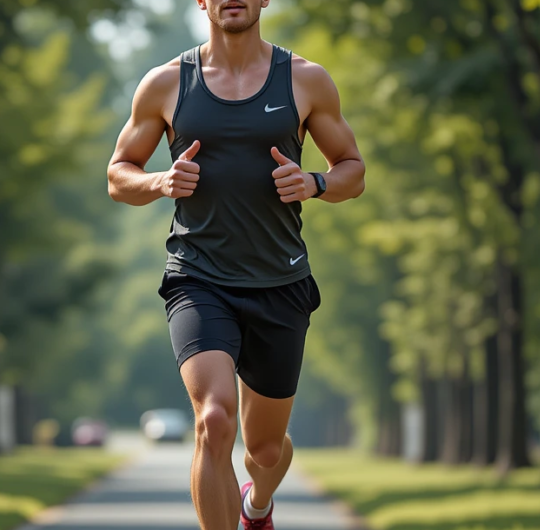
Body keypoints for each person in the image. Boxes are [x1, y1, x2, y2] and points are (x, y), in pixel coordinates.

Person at [106, 1, 365, 528]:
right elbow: (118, 175)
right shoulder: (165, 84)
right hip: (197, 277)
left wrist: (314, 182)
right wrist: (159, 181)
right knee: (214, 418)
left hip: (280, 280)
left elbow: (353, 171)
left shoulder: (306, 80)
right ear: (201, 2)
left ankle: (258, 505)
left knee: (265, 450)